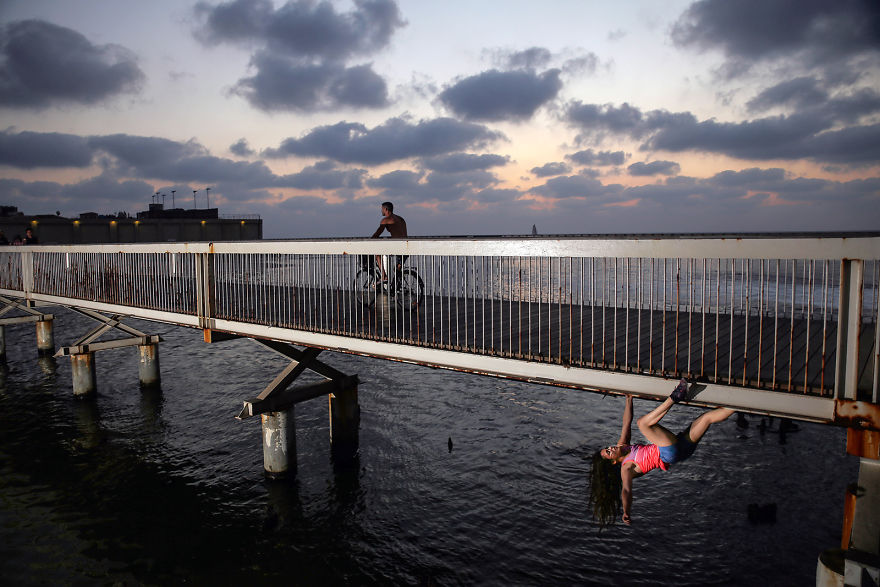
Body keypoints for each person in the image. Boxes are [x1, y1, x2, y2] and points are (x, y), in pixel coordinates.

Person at [588, 379, 734, 528]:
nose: (611, 448)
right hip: (667, 452)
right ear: (614, 461)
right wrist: (626, 511)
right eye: (609, 452)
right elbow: (626, 490)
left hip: (680, 451)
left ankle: (739, 404)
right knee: (642, 424)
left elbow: (626, 422)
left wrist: (629, 399)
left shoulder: (623, 446)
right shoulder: (626, 468)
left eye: (608, 447)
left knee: (706, 418)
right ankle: (675, 396)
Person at [370, 201, 408, 280]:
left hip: (398, 247)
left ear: (386, 209)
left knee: (377, 254)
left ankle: (384, 276)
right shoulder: (400, 219)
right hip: (406, 247)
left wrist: (369, 242)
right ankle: (397, 284)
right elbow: (400, 234)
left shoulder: (386, 220)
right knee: (396, 270)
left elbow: (377, 234)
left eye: (382, 209)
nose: (381, 211)